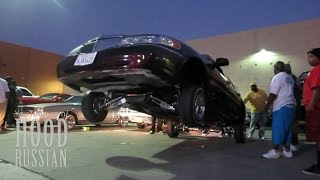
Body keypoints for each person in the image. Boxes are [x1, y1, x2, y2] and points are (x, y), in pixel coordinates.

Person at [263, 61, 296, 159]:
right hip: (291, 105)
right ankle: (287, 151)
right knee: (288, 129)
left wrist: (267, 106)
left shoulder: (278, 77)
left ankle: (275, 151)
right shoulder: (289, 78)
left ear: (276, 68)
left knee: (278, 128)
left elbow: (273, 93)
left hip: (282, 106)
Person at [301, 48, 320, 176]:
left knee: (319, 137)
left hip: (316, 109)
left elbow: (317, 89)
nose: (309, 59)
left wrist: (311, 105)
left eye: (311, 56)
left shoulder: (317, 70)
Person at [284, 64, 301, 151]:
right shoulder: (294, 77)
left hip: (292, 105)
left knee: (291, 125)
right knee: (294, 124)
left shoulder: (289, 78)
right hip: (296, 105)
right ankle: (293, 142)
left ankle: (291, 143)